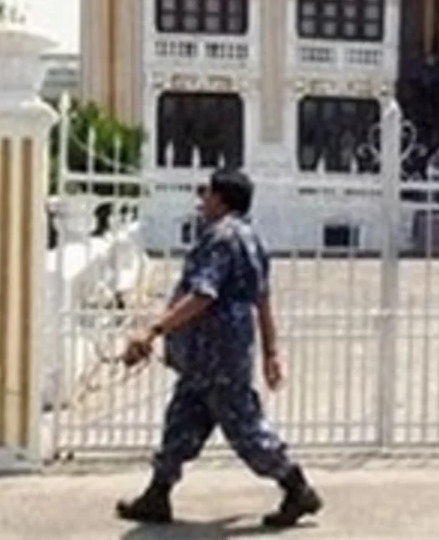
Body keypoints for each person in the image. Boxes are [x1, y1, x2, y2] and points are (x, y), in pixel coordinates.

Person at [115, 169, 322, 528]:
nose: (201, 199)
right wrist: (271, 351)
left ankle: (296, 487)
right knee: (181, 420)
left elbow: (202, 295)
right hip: (212, 354)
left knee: (245, 429)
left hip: (215, 353)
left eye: (207, 193)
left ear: (222, 199)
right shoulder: (250, 238)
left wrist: (154, 329)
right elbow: (263, 299)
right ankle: (157, 494)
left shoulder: (220, 238)